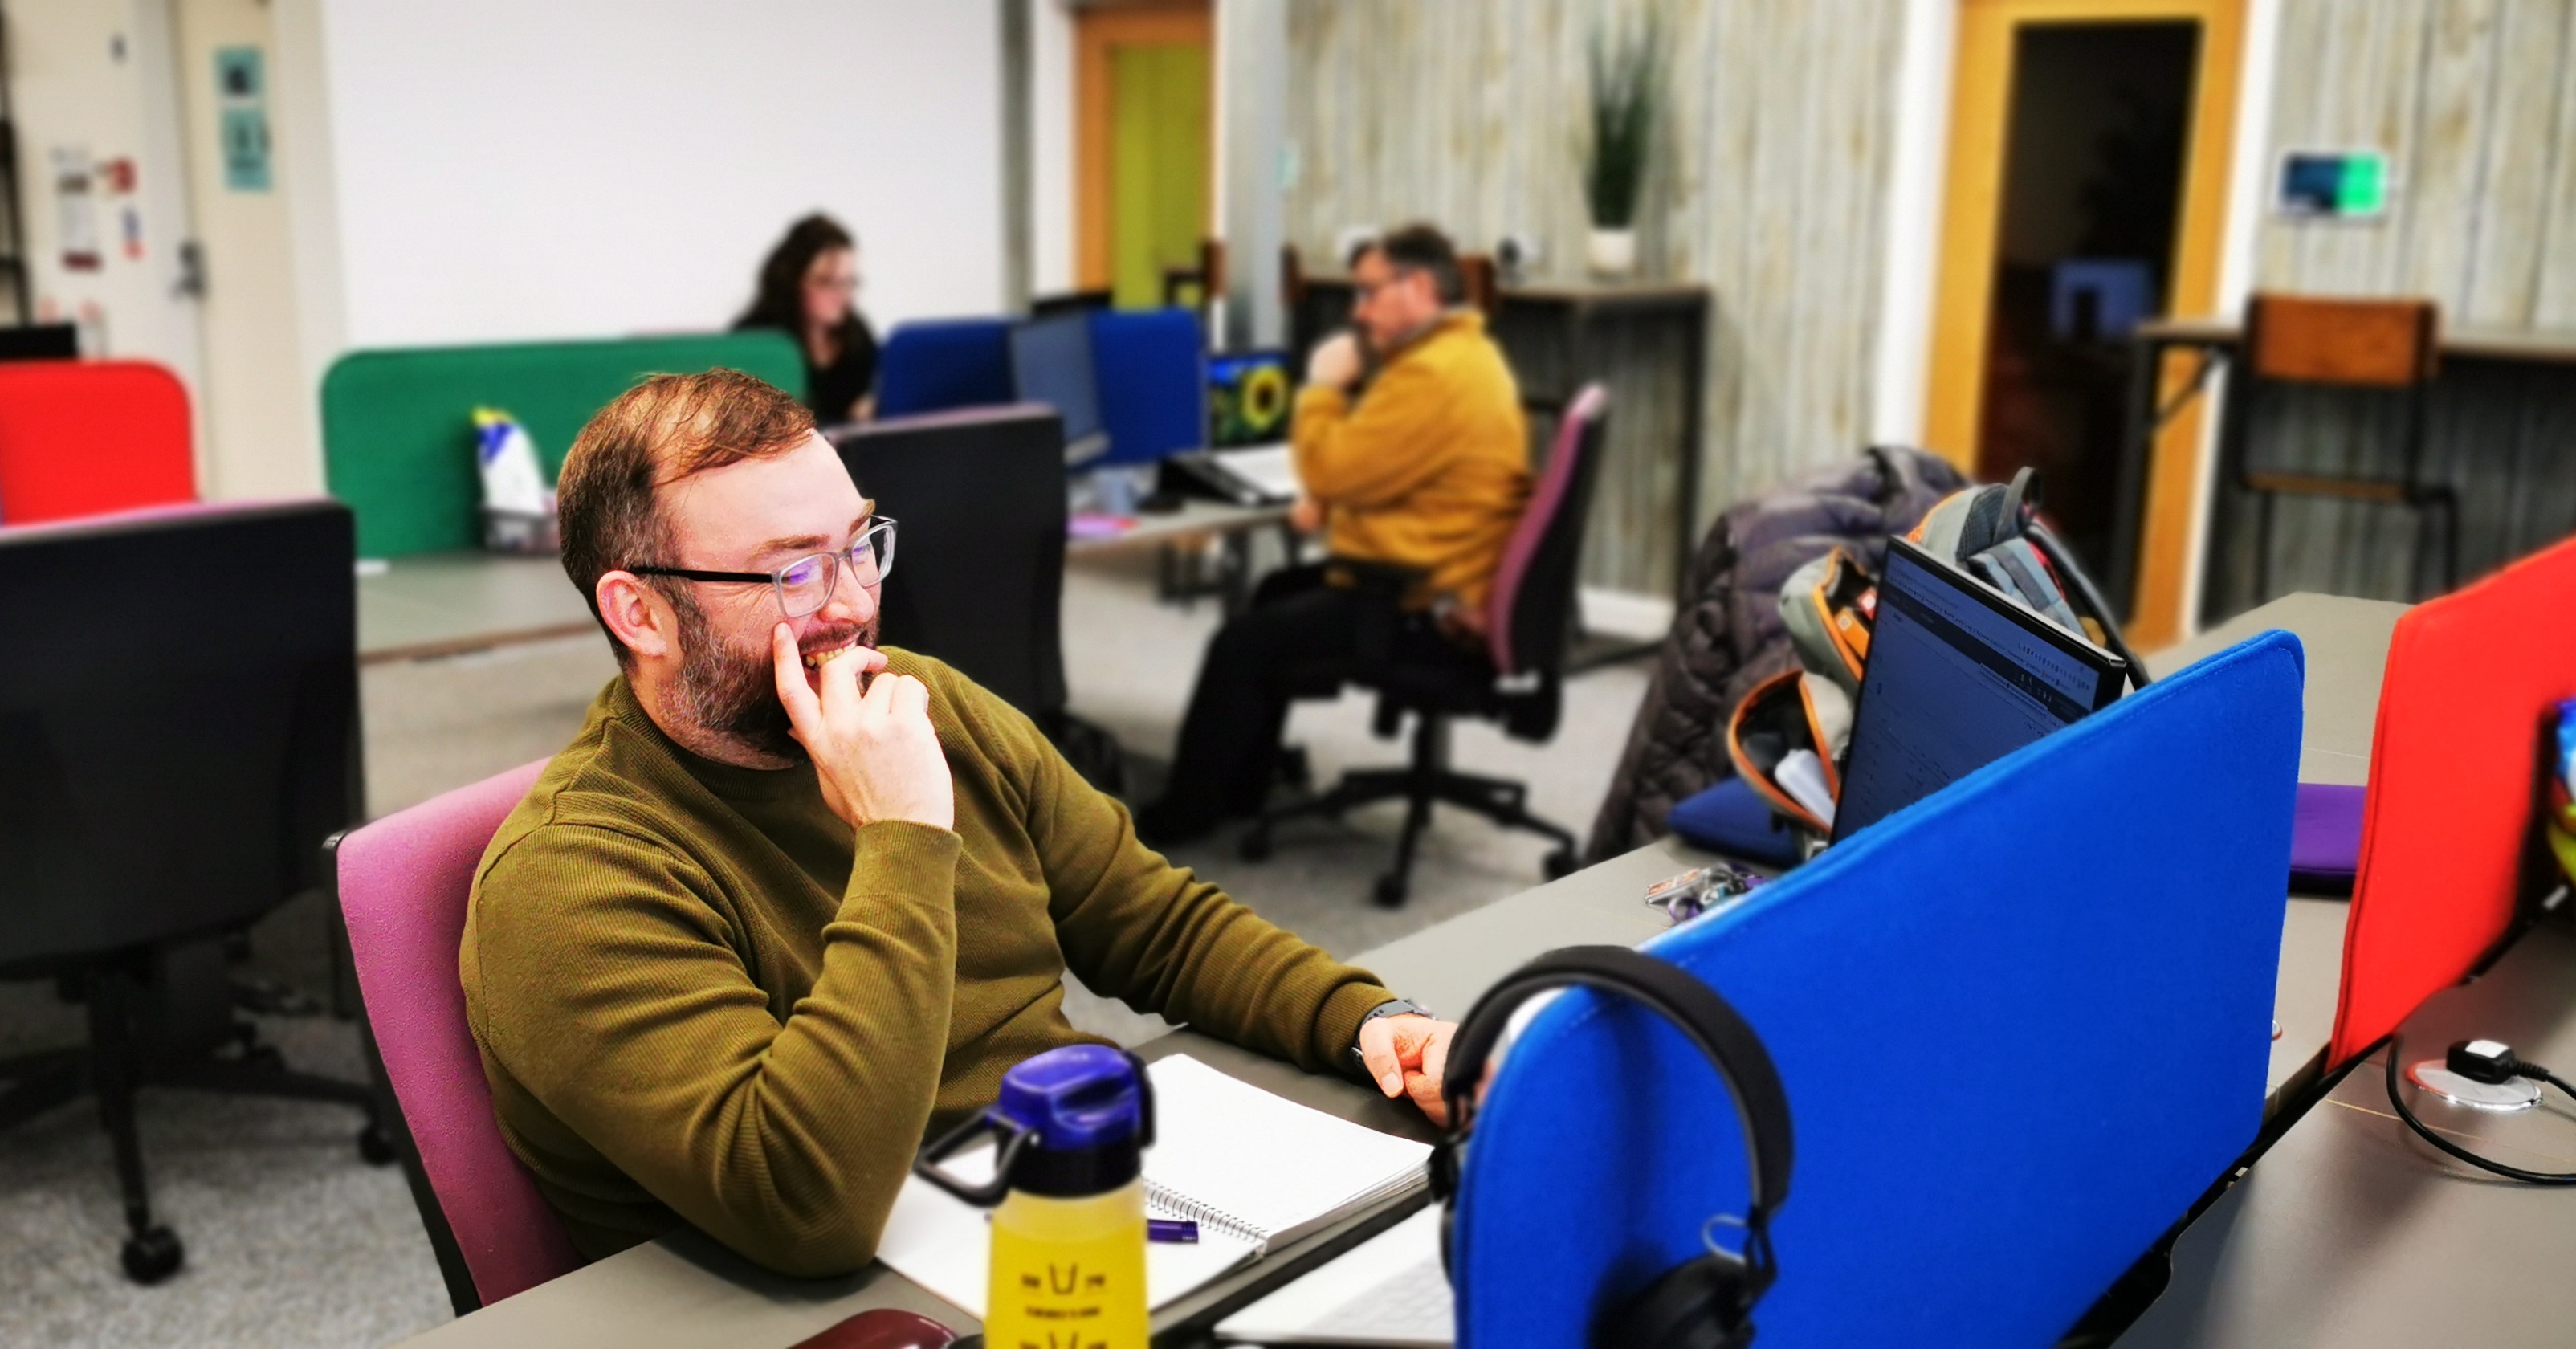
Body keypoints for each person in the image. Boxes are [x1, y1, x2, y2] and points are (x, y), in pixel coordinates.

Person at [459, 369, 1457, 1276]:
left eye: (860, 546)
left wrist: (1371, 1024)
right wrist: (901, 836)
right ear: (640, 614)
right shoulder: (569, 880)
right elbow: (805, 1205)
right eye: (794, 572)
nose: (853, 605)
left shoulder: (928, 702)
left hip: (1049, 1206)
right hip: (831, 1299)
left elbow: (1156, 924)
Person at [1138, 224, 1530, 845]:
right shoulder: (1467, 356)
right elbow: (1388, 473)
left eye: (1370, 292)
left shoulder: (1431, 375)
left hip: (1417, 603)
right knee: (1275, 590)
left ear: (1417, 287)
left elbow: (1331, 469)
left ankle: (1184, 815)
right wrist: (1333, 498)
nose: (1358, 311)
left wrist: (1321, 386)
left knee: (1239, 646)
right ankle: (1241, 788)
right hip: (1438, 573)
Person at [736, 214, 880, 424]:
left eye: (849, 282)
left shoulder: (857, 336)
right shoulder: (756, 340)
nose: (844, 296)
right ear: (792, 281)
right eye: (828, 282)